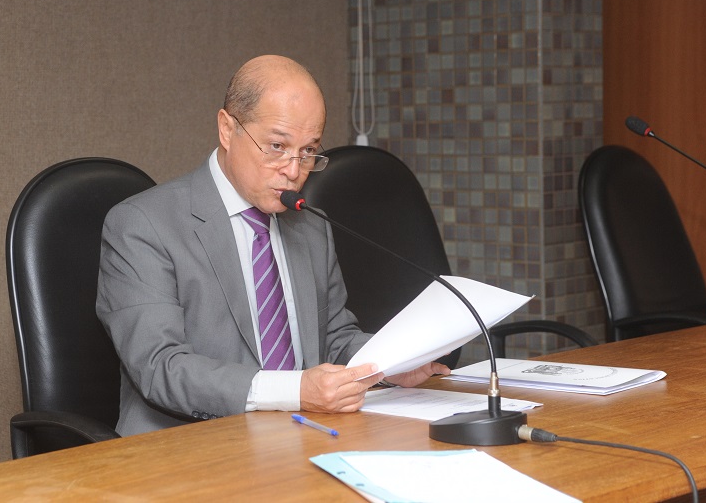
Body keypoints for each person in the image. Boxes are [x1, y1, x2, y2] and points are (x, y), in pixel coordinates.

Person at [96, 55, 449, 436]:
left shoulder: (308, 224)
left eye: (308, 151)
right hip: (187, 444)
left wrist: (390, 364)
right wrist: (296, 391)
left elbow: (333, 338)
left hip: (304, 434)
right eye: (277, 146)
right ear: (227, 129)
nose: (294, 171)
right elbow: (160, 367)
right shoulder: (143, 224)